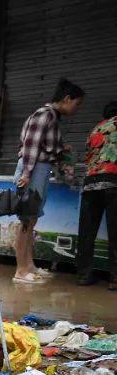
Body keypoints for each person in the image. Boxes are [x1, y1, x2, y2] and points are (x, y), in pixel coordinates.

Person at [12, 78, 84, 284]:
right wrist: (26, 175)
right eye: (77, 103)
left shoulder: (51, 117)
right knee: (26, 219)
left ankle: (29, 265)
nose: (76, 108)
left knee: (32, 219)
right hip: (32, 170)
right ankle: (20, 270)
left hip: (40, 170)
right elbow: (30, 147)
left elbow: (46, 148)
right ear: (67, 98)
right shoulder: (45, 115)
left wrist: (62, 150)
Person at [76, 101, 117, 288]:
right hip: (113, 182)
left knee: (87, 233)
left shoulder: (95, 129)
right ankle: (115, 279)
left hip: (91, 184)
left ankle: (84, 275)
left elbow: (88, 157)